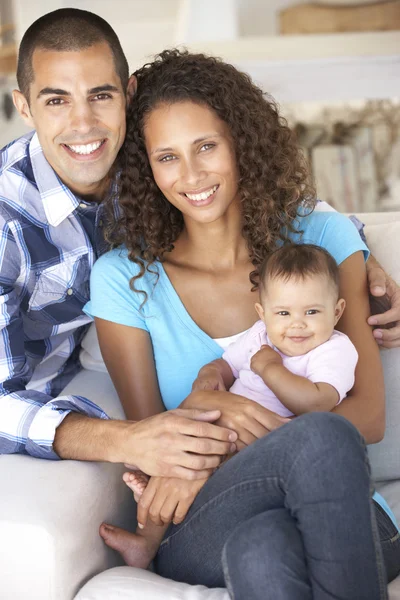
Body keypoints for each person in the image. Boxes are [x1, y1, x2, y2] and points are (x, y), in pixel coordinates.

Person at [84, 49, 400, 597]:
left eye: (206, 146)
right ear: (145, 168)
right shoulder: (125, 279)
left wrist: (237, 410)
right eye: (167, 157)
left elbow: (368, 418)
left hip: (344, 509)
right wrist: (223, 405)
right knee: (321, 436)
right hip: (206, 515)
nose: (191, 175)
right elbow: (155, 439)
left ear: (240, 143)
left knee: (263, 549)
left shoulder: (322, 241)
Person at [0, 8, 239, 479]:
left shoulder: (155, 160)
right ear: (24, 107)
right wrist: (130, 439)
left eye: (100, 95)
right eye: (56, 101)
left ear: (128, 94)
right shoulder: (6, 219)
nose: (84, 124)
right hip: (31, 400)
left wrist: (357, 254)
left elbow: (256, 194)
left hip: (95, 364)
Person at [109, 242, 360, 570]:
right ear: (263, 313)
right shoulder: (260, 336)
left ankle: (166, 500)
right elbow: (227, 364)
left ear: (337, 311)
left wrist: (270, 369)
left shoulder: (334, 350)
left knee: (200, 463)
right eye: (283, 313)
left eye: (312, 312)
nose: (297, 324)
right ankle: (147, 539)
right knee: (182, 452)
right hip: (221, 429)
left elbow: (316, 403)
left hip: (263, 447)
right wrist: (210, 373)